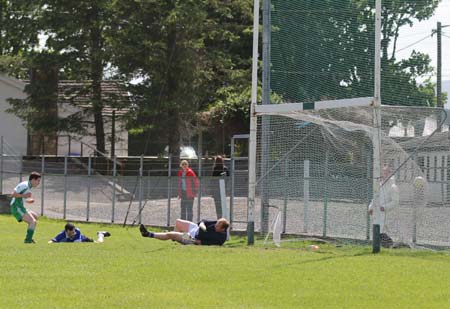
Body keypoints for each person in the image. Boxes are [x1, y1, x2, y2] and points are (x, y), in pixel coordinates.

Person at [368, 165, 400, 247]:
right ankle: (387, 247)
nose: (384, 175)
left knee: (382, 230)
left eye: (386, 173)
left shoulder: (393, 187)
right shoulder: (379, 185)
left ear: (390, 174)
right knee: (377, 230)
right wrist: (371, 207)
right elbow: (375, 198)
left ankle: (391, 245)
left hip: (386, 213)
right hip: (377, 212)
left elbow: (395, 201)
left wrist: (384, 207)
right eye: (383, 173)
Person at [139, 218, 229, 246]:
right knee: (178, 222)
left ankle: (147, 234)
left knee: (171, 234)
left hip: (192, 238)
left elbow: (210, 244)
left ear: (222, 229)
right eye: (216, 224)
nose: (215, 226)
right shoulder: (216, 223)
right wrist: (202, 225)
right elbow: (202, 221)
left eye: (217, 226)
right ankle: (175, 239)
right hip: (195, 228)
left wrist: (198, 242)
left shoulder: (221, 238)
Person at [10, 171, 41, 244]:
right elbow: (13, 194)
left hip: (20, 206)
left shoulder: (28, 186)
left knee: (35, 216)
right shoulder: (25, 185)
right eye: (38, 181)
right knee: (33, 221)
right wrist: (25, 196)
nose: (39, 183)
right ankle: (28, 240)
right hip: (16, 207)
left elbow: (20, 197)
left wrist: (28, 200)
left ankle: (29, 237)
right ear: (33, 179)